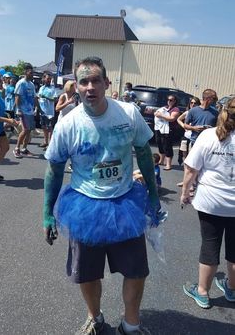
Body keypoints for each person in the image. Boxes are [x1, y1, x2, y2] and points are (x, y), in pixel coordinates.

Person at [43, 56, 162, 335]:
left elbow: (144, 153)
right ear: (77, 86)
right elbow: (54, 171)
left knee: (136, 270)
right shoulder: (67, 124)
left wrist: (154, 197)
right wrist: (47, 213)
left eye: (96, 80)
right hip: (85, 205)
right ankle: (95, 319)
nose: (90, 87)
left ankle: (130, 325)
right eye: (83, 81)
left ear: (107, 83)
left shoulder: (128, 113)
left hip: (125, 202)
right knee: (87, 272)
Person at [181, 97, 235, 309]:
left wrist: (185, 192)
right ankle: (231, 288)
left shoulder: (208, 135)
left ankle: (203, 292)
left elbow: (190, 169)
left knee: (210, 244)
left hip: (211, 202)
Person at [13, 63, 37, 158]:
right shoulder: (21, 83)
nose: (32, 74)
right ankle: (17, 149)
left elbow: (34, 97)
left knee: (29, 130)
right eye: (30, 72)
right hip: (22, 111)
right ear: (25, 72)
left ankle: (24, 149)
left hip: (30, 111)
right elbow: (17, 97)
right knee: (25, 129)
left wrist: (37, 109)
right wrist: (18, 109)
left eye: (32, 72)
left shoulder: (31, 84)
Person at [176, 97, 200, 186]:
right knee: (185, 159)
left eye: (195, 103)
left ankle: (193, 182)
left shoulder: (199, 113)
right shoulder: (187, 112)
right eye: (191, 103)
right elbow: (178, 119)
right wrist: (184, 126)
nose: (193, 104)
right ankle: (186, 180)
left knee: (193, 161)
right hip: (186, 137)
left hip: (194, 138)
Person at [0, 77, 19, 180]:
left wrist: (8, 119)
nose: (2, 84)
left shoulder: (0, 95)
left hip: (0, 129)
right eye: (0, 82)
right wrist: (8, 121)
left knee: (5, 148)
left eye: (1, 81)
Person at [154, 95, 180, 170]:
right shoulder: (164, 108)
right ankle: (161, 160)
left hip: (168, 130)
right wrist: (156, 114)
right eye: (168, 99)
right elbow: (156, 113)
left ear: (175, 101)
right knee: (159, 143)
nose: (169, 101)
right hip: (159, 128)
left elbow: (172, 118)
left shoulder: (176, 109)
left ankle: (168, 164)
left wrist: (161, 115)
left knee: (167, 146)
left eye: (171, 100)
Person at [38, 72, 57, 149]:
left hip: (49, 112)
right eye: (47, 78)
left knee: (50, 128)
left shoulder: (52, 88)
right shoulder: (41, 88)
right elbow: (39, 98)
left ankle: (50, 143)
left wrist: (46, 97)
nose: (49, 80)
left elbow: (55, 100)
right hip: (42, 111)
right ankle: (45, 142)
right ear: (44, 79)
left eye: (50, 79)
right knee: (43, 127)